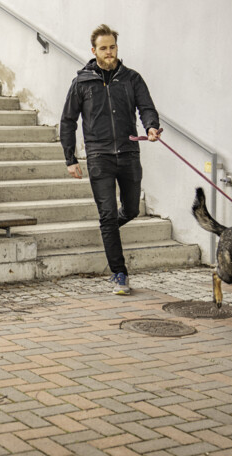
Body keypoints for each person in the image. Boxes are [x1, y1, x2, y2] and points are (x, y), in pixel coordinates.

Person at [60, 24, 160, 295]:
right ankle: (119, 273)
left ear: (117, 48)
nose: (109, 52)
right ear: (94, 51)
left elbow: (146, 107)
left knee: (130, 210)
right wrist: (71, 158)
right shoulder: (81, 82)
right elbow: (68, 121)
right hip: (99, 157)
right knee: (107, 214)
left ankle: (108, 231)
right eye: (103, 48)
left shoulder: (131, 79)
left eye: (112, 47)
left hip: (128, 154)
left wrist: (151, 126)